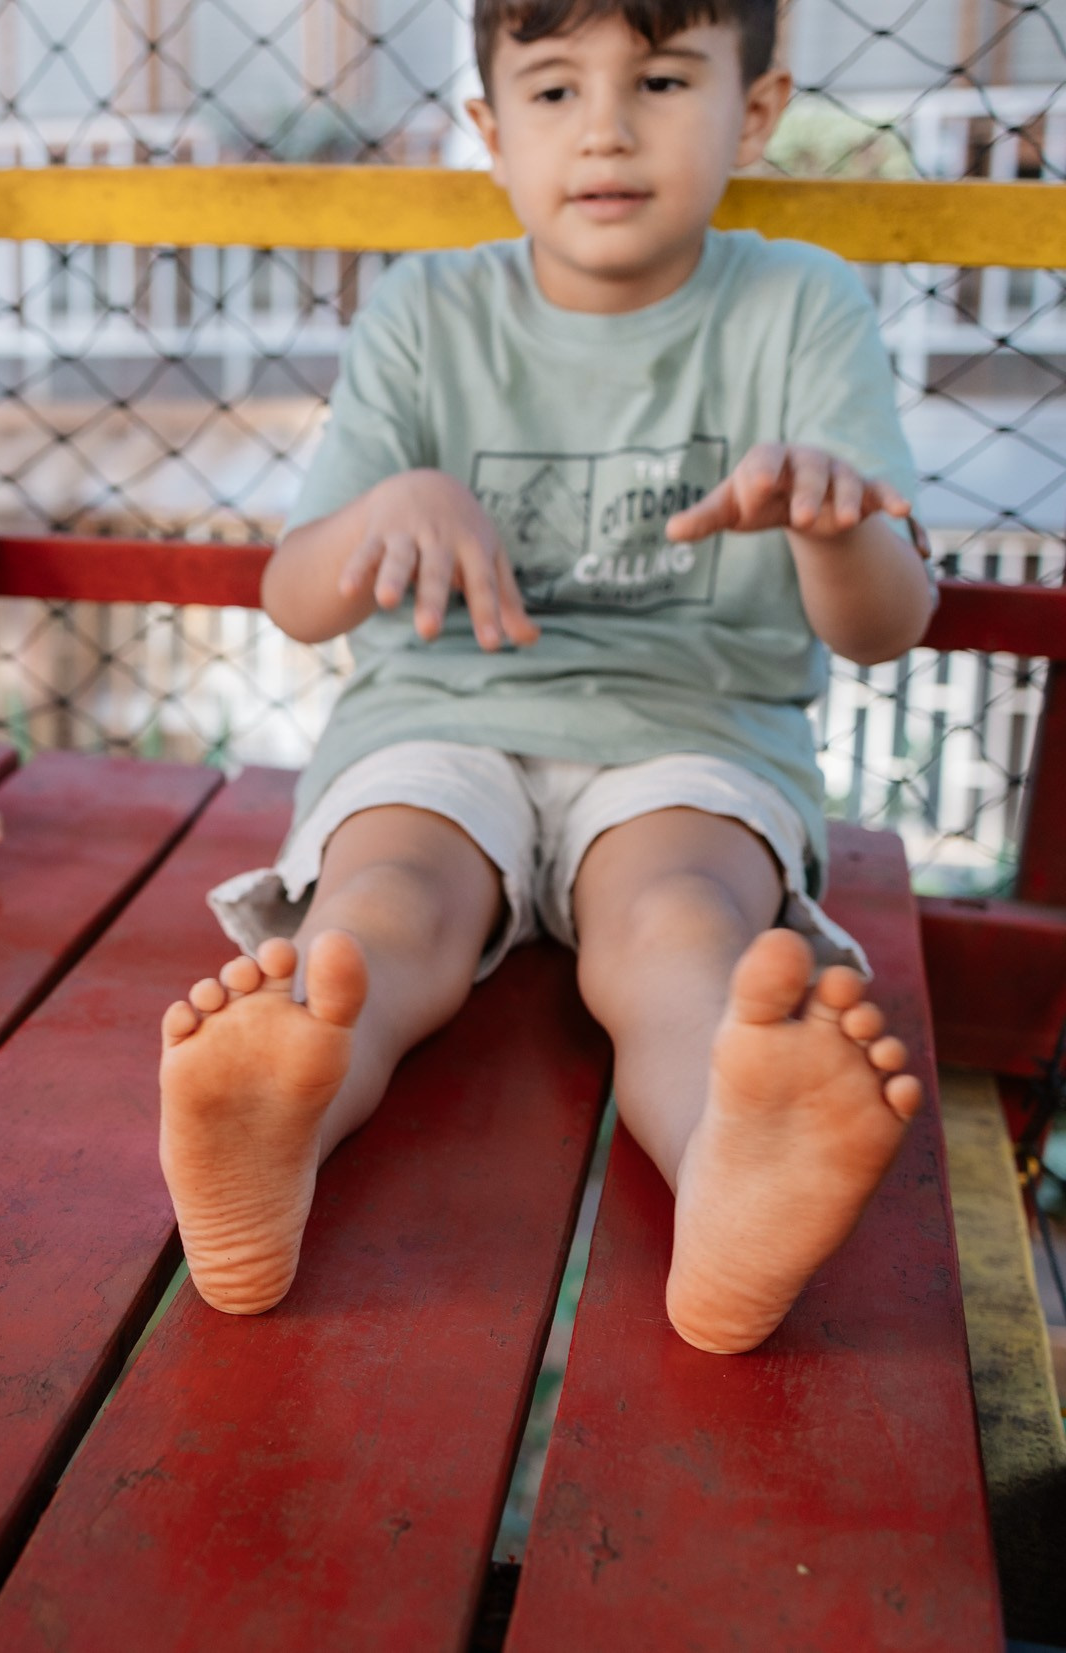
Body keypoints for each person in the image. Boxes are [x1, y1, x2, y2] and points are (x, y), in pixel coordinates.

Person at [156, 0, 934, 1353]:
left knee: (684, 930)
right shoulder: (427, 313)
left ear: (754, 110)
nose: (609, 128)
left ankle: (728, 1182)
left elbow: (883, 626)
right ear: (490, 131)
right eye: (557, 89)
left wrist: (837, 524)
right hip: (440, 718)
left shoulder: (800, 305)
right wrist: (388, 505)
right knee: (383, 911)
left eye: (665, 78)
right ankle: (278, 1122)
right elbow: (293, 595)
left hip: (686, 732)